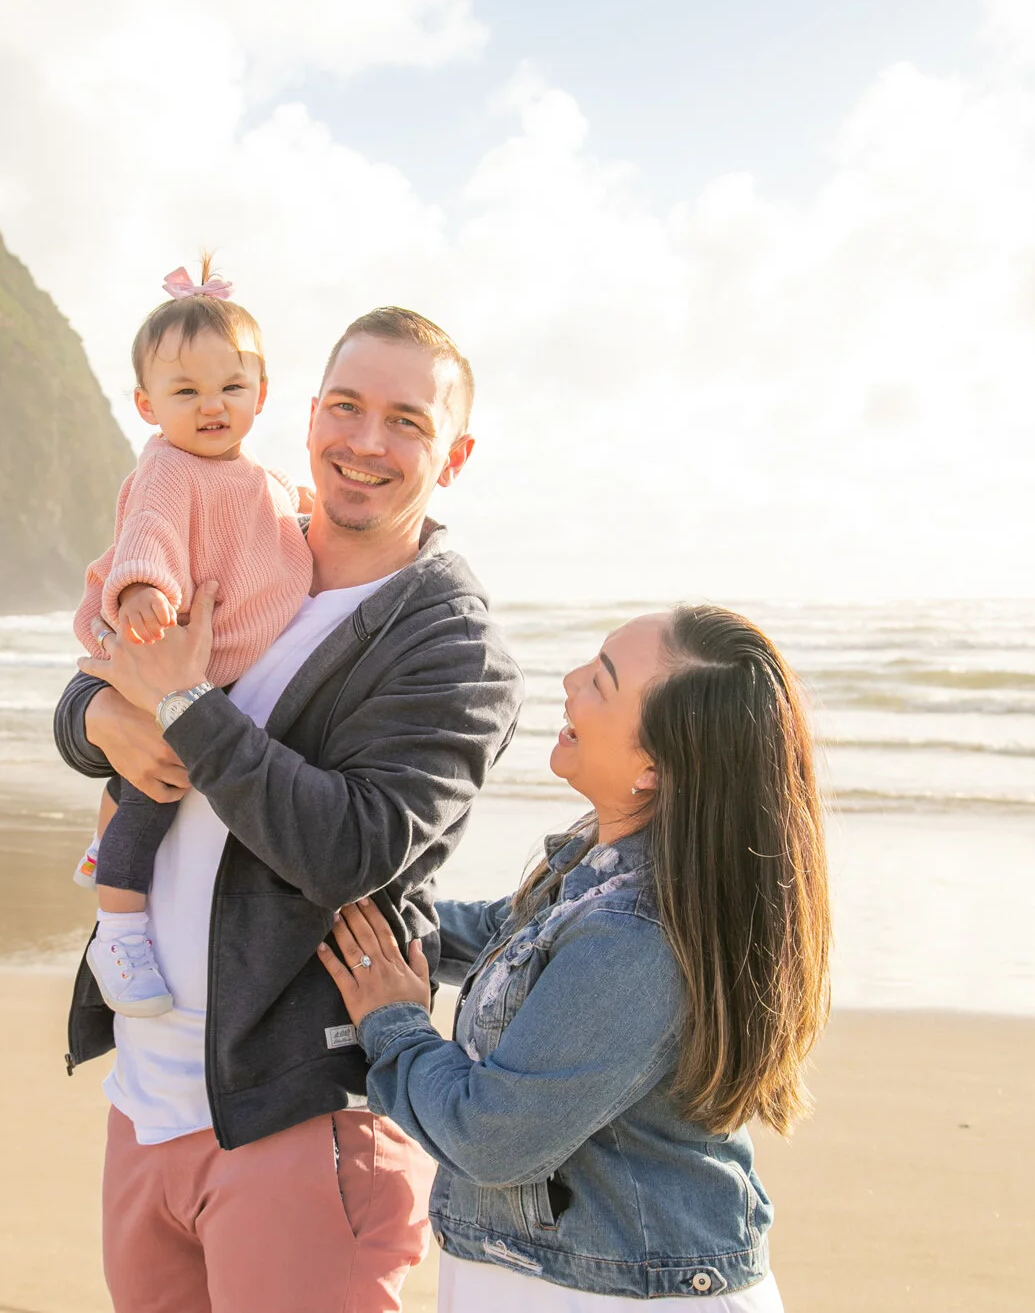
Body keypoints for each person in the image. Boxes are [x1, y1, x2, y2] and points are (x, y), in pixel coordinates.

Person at [56, 307, 525, 1311]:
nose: (364, 441)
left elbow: (349, 847)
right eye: (346, 407)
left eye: (405, 420)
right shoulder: (248, 539)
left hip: (297, 1118)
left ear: (455, 453)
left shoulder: (447, 645)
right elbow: (102, 665)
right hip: (145, 1104)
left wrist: (182, 708)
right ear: (304, 413)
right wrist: (97, 712)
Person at [318, 607, 832, 1309]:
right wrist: (363, 903)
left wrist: (395, 1022)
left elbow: (490, 1134)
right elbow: (504, 934)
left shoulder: (637, 934)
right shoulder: (604, 867)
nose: (569, 682)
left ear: (653, 767)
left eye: (601, 681)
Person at [70, 258, 314, 1019]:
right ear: (148, 404)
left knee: (156, 771)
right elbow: (150, 535)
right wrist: (145, 589)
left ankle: (104, 840)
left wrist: (309, 509)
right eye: (186, 392)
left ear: (261, 394)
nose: (212, 407)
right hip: (164, 648)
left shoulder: (264, 480)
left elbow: (284, 524)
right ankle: (117, 925)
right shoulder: (169, 468)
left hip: (215, 673)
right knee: (156, 782)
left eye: (231, 389)